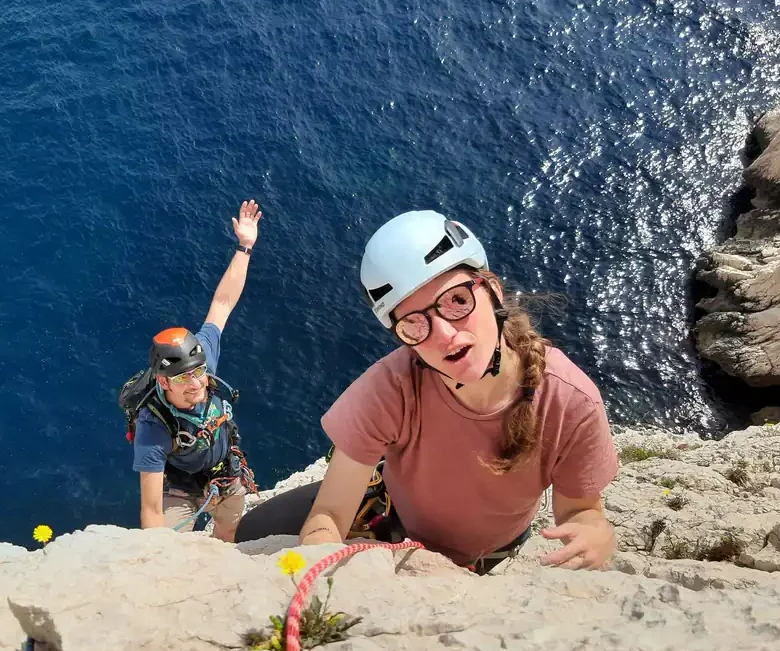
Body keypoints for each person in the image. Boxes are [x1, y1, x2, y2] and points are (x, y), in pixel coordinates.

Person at [235, 210, 618, 572]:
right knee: (250, 530)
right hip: (391, 516)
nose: (446, 335)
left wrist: (594, 531)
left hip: (480, 557)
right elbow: (331, 514)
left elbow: (581, 510)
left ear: (493, 291)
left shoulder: (569, 401)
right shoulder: (391, 387)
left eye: (457, 301)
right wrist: (320, 552)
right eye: (415, 324)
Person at [129, 200, 262, 542]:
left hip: (226, 475)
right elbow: (151, 509)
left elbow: (222, 303)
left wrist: (245, 246)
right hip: (180, 489)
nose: (196, 383)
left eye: (198, 372)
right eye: (181, 378)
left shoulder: (200, 359)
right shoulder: (153, 425)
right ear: (163, 382)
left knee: (228, 534)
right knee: (174, 543)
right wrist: (158, 551)